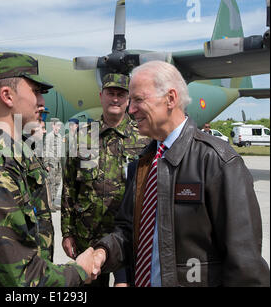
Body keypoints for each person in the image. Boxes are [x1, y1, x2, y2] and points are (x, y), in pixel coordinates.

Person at [92, 61, 270, 287]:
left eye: (138, 100)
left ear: (171, 99)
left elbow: (245, 265)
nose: (130, 109)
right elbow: (129, 231)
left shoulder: (218, 161)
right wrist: (103, 252)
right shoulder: (143, 163)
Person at [0, 52, 94, 287]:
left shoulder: (12, 155)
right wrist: (80, 270)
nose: (42, 103)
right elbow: (22, 281)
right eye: (36, 92)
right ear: (7, 96)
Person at [61, 73, 148, 287]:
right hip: (87, 238)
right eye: (111, 93)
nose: (115, 99)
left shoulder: (144, 138)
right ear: (101, 96)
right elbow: (69, 187)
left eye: (121, 94)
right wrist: (67, 232)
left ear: (128, 99)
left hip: (127, 239)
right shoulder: (82, 137)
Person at [44, 118, 64, 211]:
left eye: (60, 126)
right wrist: (46, 164)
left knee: (57, 182)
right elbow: (46, 150)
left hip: (58, 163)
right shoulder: (49, 136)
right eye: (57, 126)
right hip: (51, 162)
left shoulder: (60, 136)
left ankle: (54, 202)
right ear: (53, 125)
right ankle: (50, 204)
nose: (59, 128)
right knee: (51, 183)